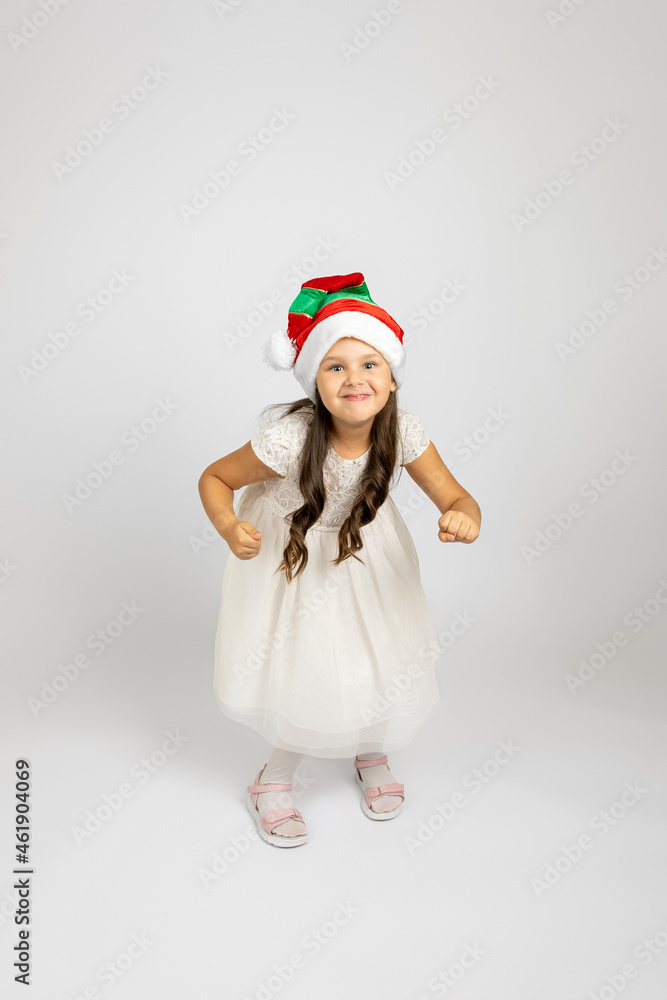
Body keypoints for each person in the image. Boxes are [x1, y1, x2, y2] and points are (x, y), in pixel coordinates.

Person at [198, 272, 481, 849]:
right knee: (306, 663)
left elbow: (455, 494)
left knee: (378, 650)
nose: (355, 378)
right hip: (296, 559)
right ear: (315, 384)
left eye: (370, 364)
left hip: (368, 554)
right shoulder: (291, 439)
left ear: (393, 379)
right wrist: (230, 526)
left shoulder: (403, 433)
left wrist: (464, 515)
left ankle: (368, 745)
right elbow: (215, 478)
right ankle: (274, 778)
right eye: (336, 366)